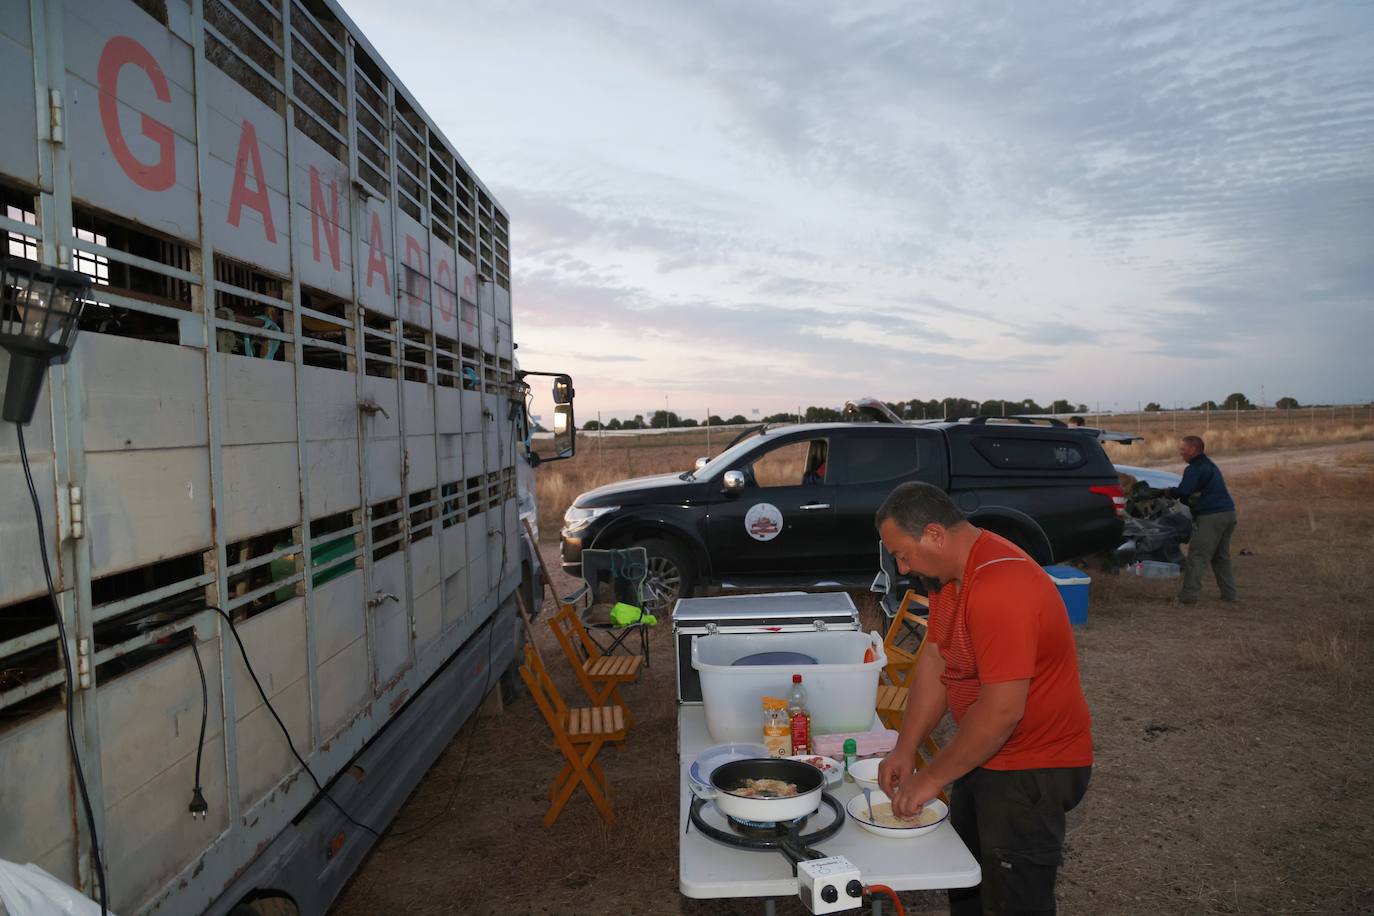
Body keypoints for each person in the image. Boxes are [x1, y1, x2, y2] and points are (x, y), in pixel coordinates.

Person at [875, 482, 1092, 916]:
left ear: (935, 534)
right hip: (982, 753)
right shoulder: (947, 578)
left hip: (1032, 767)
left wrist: (932, 777)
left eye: (902, 553)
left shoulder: (1000, 584)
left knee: (1013, 897)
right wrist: (905, 746)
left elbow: (1001, 712)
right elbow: (937, 662)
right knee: (967, 879)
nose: (900, 567)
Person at [1167, 435, 1237, 605]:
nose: (1180, 452)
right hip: (1228, 514)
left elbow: (1184, 492)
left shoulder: (1195, 468)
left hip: (1211, 516)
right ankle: (1230, 595)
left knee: (1197, 556)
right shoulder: (1209, 465)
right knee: (1221, 557)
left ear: (1193, 449)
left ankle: (1188, 597)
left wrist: (1167, 492)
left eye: (1183, 449)